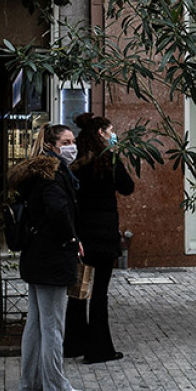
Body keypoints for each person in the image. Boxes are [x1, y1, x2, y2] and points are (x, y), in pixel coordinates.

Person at [7, 124, 85, 391]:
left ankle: (29, 384)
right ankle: (56, 388)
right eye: (66, 141)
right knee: (52, 325)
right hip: (52, 256)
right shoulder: (52, 174)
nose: (71, 146)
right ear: (52, 145)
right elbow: (57, 209)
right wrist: (71, 238)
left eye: (73, 140)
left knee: (37, 323)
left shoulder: (37, 173)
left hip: (36, 256)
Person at [64, 113, 134, 364]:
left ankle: (73, 343)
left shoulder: (77, 162)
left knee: (78, 290)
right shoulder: (110, 160)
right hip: (103, 234)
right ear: (102, 133)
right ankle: (98, 348)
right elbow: (127, 187)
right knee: (99, 293)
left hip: (81, 233)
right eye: (111, 129)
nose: (114, 133)